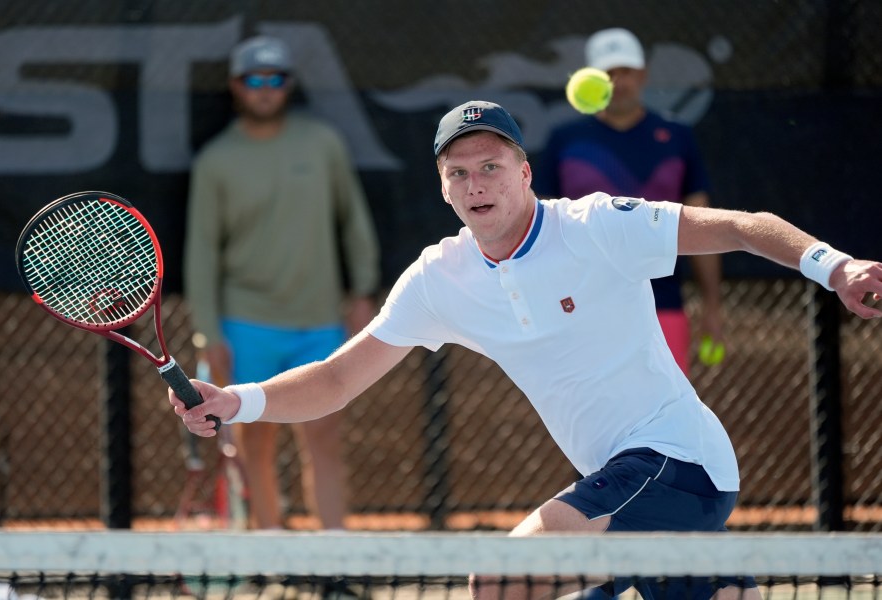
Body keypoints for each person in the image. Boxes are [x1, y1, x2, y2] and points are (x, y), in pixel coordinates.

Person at [173, 100, 882, 599]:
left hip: (679, 461)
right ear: (443, 189)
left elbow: (739, 225)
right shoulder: (437, 279)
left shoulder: (596, 226)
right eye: (458, 172)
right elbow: (335, 381)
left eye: (490, 166)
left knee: (501, 581)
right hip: (628, 490)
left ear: (524, 173)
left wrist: (835, 266)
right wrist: (236, 402)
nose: (475, 183)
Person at [184, 35, 381, 531]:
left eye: (276, 79)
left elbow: (352, 221)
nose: (266, 89)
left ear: (288, 85)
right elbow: (201, 255)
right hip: (246, 323)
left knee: (325, 442)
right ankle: (274, 562)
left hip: (318, 323)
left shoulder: (322, 144)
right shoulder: (216, 161)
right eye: (255, 79)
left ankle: (337, 567)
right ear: (236, 86)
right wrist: (210, 333)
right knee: (255, 445)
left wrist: (362, 292)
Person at [537, 27, 722, 374]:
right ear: (592, 79)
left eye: (627, 71)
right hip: (582, 307)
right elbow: (541, 227)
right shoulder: (563, 140)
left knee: (667, 414)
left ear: (643, 75)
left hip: (663, 304)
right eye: (608, 73)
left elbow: (701, 220)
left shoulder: (678, 137)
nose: (618, 81)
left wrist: (712, 305)